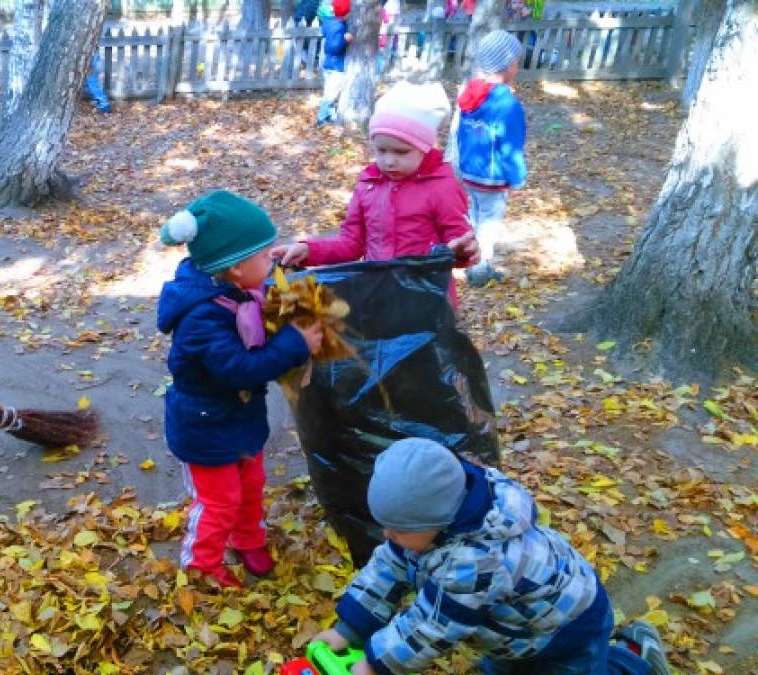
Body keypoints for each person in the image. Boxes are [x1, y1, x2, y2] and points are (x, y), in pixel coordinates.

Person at [312, 438, 672, 675]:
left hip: (566, 632)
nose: (388, 536)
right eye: (386, 525)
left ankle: (637, 659)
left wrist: (375, 663)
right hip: (514, 631)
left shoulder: (478, 561)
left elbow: (432, 626)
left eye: (398, 529)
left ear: (437, 521)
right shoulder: (430, 525)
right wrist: (350, 629)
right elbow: (387, 568)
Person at [157, 190, 324, 588]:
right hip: (204, 427)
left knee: (250, 487)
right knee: (219, 501)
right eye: (264, 256)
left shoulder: (236, 289)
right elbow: (239, 368)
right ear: (234, 269)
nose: (271, 261)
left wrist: (289, 293)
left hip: (240, 419)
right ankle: (202, 566)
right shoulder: (202, 317)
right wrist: (296, 344)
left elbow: (261, 304)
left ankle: (248, 538)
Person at [275, 81, 480, 308]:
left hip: (425, 301)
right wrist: (309, 250)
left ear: (424, 148)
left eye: (401, 152)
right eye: (381, 150)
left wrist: (460, 251)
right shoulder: (369, 184)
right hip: (378, 295)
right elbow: (352, 243)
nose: (389, 160)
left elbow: (460, 243)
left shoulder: (441, 187)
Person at [447, 30, 528, 287]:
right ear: (510, 65)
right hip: (492, 177)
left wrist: (460, 166)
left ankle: (469, 256)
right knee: (489, 223)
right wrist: (517, 178)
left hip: (470, 171)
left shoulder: (471, 95)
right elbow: (510, 145)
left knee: (473, 215)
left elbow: (461, 133)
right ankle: (480, 268)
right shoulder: (507, 104)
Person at [318, 0, 354, 126]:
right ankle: (321, 118)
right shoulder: (339, 27)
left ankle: (331, 116)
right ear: (347, 13)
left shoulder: (328, 22)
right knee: (331, 93)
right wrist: (344, 39)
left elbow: (324, 34)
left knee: (331, 91)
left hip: (328, 63)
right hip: (335, 65)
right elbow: (333, 47)